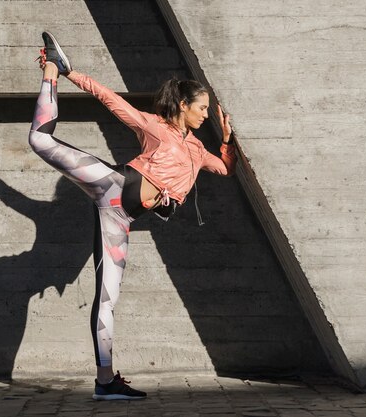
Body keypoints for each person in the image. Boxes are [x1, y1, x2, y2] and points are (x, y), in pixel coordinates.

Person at [29, 31, 237, 400]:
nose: (205, 114)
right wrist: (72, 74)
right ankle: (52, 70)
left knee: (107, 298)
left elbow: (224, 168)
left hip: (121, 218)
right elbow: (109, 100)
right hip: (113, 184)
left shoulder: (198, 148)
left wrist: (225, 138)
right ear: (183, 106)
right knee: (40, 141)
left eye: (208, 110)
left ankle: (105, 381)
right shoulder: (156, 127)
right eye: (202, 108)